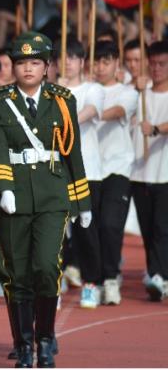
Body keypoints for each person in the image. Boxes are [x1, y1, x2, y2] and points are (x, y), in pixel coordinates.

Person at [0, 31, 91, 368]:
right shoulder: (0, 101)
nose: (28, 68)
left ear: (47, 66)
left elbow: (72, 152)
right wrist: (2, 188)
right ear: (13, 67)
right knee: (18, 274)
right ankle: (24, 344)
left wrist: (82, 200)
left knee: (46, 266)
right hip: (13, 196)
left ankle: (45, 339)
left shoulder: (63, 100)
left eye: (35, 62)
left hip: (52, 194)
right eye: (22, 62)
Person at [57, 39, 106, 308]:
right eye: (62, 57)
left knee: (86, 230)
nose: (67, 62)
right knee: (55, 230)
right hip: (56, 171)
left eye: (73, 57)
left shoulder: (93, 89)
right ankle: (55, 281)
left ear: (82, 62)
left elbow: (89, 112)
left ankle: (91, 283)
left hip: (86, 172)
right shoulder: (48, 90)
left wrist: (60, 111)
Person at [92, 42, 138, 305]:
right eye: (96, 61)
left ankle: (110, 278)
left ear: (117, 64)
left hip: (118, 168)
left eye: (106, 61)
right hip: (90, 168)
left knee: (110, 224)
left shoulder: (127, 93)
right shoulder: (86, 90)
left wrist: (89, 112)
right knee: (91, 228)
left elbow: (118, 111)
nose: (100, 67)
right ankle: (95, 280)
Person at [133, 40, 168, 302]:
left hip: (165, 173)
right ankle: (156, 274)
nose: (156, 69)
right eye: (153, 63)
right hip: (139, 173)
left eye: (162, 64)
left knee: (161, 227)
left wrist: (155, 129)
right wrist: (135, 87)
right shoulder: (139, 92)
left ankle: (159, 276)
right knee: (147, 228)